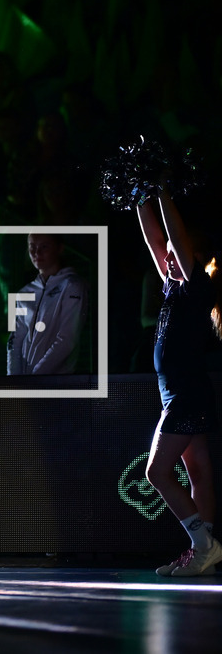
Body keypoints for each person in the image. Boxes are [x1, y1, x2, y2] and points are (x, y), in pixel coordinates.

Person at [138, 190, 222, 576]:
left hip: (186, 395)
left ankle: (204, 544)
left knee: (156, 473)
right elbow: (158, 242)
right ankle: (201, 553)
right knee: (198, 473)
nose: (168, 257)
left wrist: (164, 193)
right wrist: (140, 195)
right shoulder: (172, 284)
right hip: (179, 393)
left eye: (176, 251)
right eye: (168, 254)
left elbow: (173, 236)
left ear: (193, 257)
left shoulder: (196, 287)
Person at [7, 233, 89, 375]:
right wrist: (14, 381)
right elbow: (15, 340)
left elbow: (67, 338)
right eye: (32, 247)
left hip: (58, 383)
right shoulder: (24, 293)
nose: (37, 252)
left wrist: (36, 378)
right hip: (28, 386)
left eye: (44, 246)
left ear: (59, 248)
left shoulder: (72, 285)